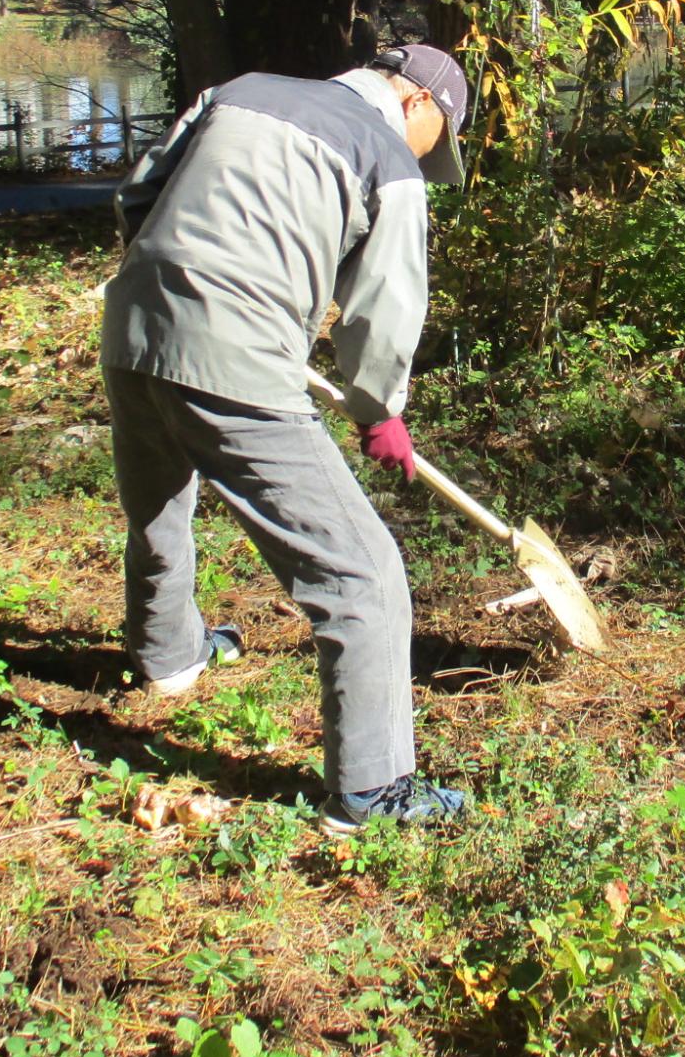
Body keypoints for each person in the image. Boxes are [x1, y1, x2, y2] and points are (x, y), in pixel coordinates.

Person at [99, 45, 472, 835]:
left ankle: (169, 656)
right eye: (436, 140)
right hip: (235, 359)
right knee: (363, 577)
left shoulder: (238, 87)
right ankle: (373, 794)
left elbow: (141, 196)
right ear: (414, 103)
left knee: (160, 502)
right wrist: (381, 411)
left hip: (132, 327)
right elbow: (385, 305)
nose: (428, 160)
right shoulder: (388, 159)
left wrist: (180, 284)